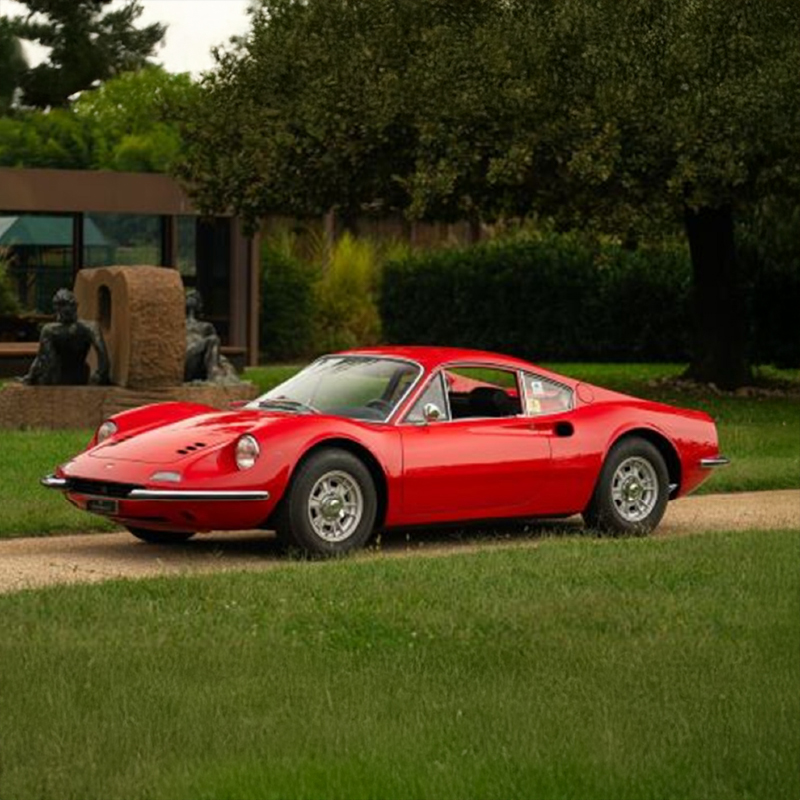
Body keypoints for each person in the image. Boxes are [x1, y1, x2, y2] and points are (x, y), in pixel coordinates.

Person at [20, 288, 110, 386]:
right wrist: (100, 375)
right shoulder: (91, 327)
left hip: (56, 378)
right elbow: (102, 354)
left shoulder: (50, 330)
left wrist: (31, 376)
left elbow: (43, 358)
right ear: (76, 306)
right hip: (81, 376)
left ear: (57, 309)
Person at [184, 288, 239, 383]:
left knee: (213, 339)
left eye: (194, 297)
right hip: (183, 361)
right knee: (212, 339)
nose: (191, 299)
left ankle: (214, 373)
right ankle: (214, 374)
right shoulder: (176, 324)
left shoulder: (206, 326)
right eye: (188, 297)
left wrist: (225, 366)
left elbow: (214, 351)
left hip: (197, 364)